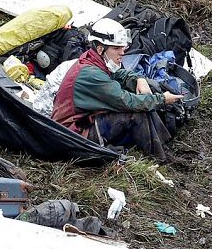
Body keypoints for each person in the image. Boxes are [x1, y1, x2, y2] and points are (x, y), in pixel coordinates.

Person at [51, 18, 184, 161]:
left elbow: (120, 74)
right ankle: (159, 159)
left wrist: (139, 79)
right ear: (100, 49)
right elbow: (126, 101)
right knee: (136, 112)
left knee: (143, 100)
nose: (122, 53)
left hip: (83, 122)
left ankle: (161, 147)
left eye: (122, 47)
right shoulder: (91, 75)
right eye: (116, 48)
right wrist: (162, 99)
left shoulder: (94, 60)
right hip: (73, 137)